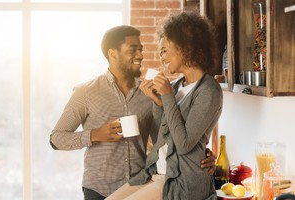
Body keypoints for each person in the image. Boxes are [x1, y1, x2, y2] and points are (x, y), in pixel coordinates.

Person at [49, 25, 216, 200]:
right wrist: (94, 135)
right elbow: (56, 139)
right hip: (98, 189)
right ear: (113, 54)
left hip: (141, 183)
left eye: (141, 49)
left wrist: (201, 154)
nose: (140, 55)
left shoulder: (149, 92)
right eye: (133, 50)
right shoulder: (86, 92)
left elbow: (168, 137)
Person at [106, 10, 223, 200]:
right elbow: (161, 139)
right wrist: (158, 102)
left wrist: (167, 97)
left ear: (185, 47)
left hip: (180, 181)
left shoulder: (209, 90)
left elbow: (184, 145)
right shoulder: (177, 85)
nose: (161, 57)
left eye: (164, 50)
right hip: (156, 172)